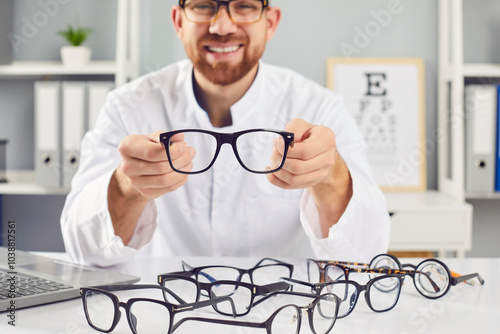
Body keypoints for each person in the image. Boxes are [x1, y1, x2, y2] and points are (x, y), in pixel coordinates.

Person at [61, 0, 390, 267]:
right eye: (204, 6)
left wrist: (330, 176)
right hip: (160, 312)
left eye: (244, 6)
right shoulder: (127, 106)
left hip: (286, 314)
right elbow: (81, 249)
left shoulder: (321, 108)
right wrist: (124, 186)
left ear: (270, 22)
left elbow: (365, 254)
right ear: (178, 21)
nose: (221, 26)